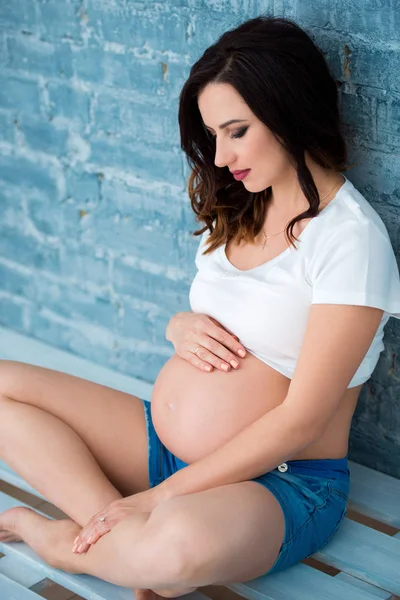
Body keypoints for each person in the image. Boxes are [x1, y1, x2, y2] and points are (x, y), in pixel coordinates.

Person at [0, 14, 399, 599]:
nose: (219, 156)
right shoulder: (245, 203)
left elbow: (302, 420)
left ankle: (71, 545)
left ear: (287, 110)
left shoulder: (349, 240)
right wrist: (178, 325)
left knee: (177, 546)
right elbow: (223, 315)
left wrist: (161, 498)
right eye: (213, 134)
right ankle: (111, 529)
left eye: (236, 130)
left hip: (281, 485)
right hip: (166, 453)